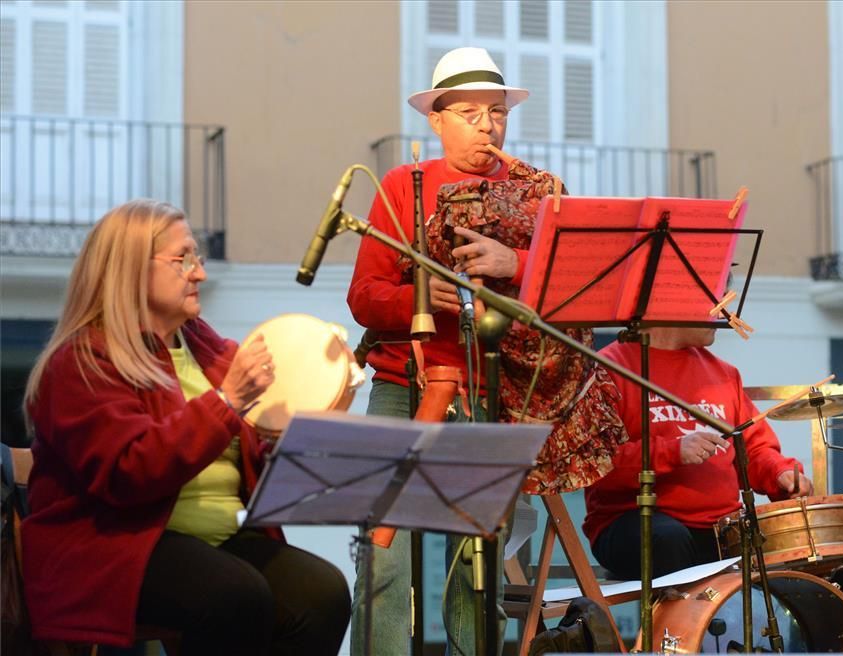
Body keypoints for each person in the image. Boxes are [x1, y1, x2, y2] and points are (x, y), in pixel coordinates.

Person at [21, 200, 351, 655]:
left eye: (197, 258)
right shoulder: (81, 362)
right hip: (115, 546)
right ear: (132, 270)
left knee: (323, 594)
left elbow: (252, 455)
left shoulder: (206, 347)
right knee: (235, 596)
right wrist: (227, 403)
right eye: (184, 260)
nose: (199, 273)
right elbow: (130, 470)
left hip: (216, 541)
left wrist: (316, 411)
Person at [347, 47, 531, 655]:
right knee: (383, 561)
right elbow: (365, 296)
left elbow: (566, 296)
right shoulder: (402, 184)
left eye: (497, 111)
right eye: (471, 111)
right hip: (403, 386)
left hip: (490, 389)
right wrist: (427, 297)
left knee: (476, 569)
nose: (488, 124)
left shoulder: (534, 190)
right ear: (437, 120)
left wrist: (516, 265)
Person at [583, 324, 814, 580]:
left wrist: (779, 473)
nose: (722, 313)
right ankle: (685, 621)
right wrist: (672, 451)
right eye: (714, 298)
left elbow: (754, 448)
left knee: (809, 541)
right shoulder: (608, 368)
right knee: (669, 539)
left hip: (723, 528)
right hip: (636, 523)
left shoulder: (724, 373)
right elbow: (594, 461)